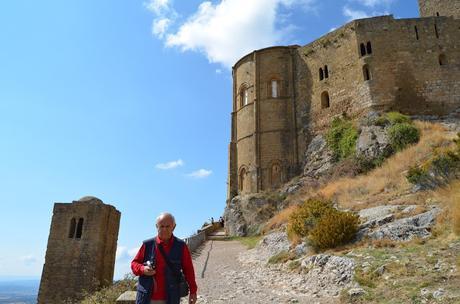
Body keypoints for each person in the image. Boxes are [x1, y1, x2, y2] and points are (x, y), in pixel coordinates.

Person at [131, 212, 198, 304]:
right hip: (146, 297)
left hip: (171, 297)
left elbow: (188, 269)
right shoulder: (148, 245)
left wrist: (193, 291)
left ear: (174, 227)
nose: (164, 229)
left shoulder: (181, 246)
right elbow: (134, 264)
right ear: (156, 226)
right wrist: (143, 269)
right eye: (161, 226)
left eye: (168, 226)